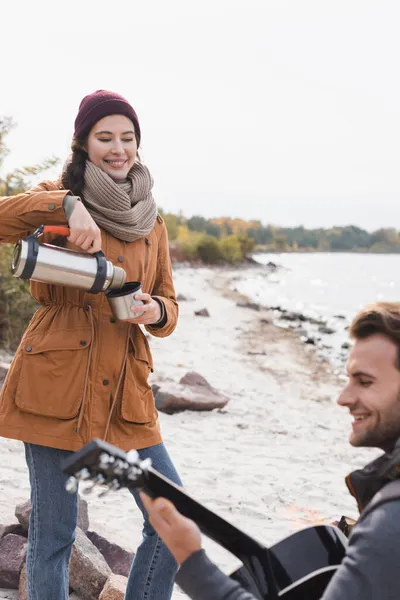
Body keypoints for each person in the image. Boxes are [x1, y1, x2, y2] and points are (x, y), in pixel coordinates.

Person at [0, 90, 182, 600]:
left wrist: (155, 311)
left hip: (127, 390)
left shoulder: (153, 222)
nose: (117, 147)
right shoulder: (53, 197)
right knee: (55, 532)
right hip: (57, 383)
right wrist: (67, 204)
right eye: (105, 137)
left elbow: (170, 304)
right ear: (83, 143)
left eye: (127, 137)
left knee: (170, 513)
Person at [141, 301, 400, 600]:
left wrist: (192, 561)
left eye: (364, 382)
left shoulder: (389, 520)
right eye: (348, 380)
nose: (343, 398)